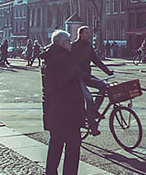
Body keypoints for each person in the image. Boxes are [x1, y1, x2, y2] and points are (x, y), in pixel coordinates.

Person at [40, 30, 85, 175]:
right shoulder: (64, 60)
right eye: (69, 42)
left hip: (54, 111)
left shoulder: (49, 58)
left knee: (55, 145)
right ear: (63, 43)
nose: (71, 44)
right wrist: (81, 112)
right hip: (67, 113)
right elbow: (72, 89)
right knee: (72, 148)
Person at [71, 26, 114, 136]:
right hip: (77, 78)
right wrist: (80, 74)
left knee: (104, 86)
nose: (89, 35)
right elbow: (72, 64)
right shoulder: (73, 47)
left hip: (87, 76)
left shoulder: (89, 46)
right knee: (89, 98)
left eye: (89, 33)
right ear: (80, 34)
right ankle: (92, 125)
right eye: (86, 33)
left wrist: (108, 71)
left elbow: (96, 60)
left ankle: (93, 111)